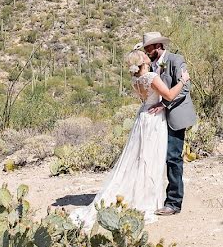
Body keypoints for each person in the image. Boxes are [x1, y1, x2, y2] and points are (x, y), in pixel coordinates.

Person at [71, 48, 189, 227]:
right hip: (154, 120)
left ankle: (140, 194)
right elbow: (170, 95)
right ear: (142, 60)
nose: (147, 55)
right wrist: (183, 80)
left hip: (142, 116)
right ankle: (148, 198)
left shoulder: (136, 80)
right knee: (150, 159)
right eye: (144, 54)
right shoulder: (151, 77)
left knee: (139, 158)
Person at [140, 31, 198, 216]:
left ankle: (174, 203)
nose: (147, 51)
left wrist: (164, 104)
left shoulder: (175, 59)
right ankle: (155, 197)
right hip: (158, 119)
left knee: (173, 158)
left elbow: (185, 87)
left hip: (175, 115)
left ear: (158, 46)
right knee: (157, 158)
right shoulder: (151, 66)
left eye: (148, 48)